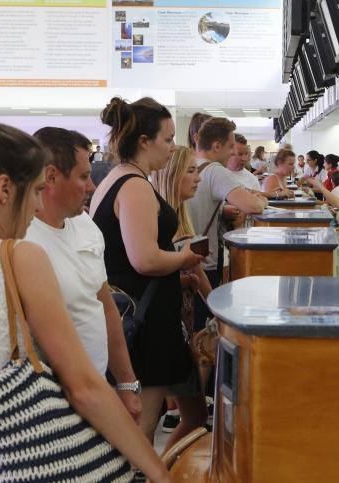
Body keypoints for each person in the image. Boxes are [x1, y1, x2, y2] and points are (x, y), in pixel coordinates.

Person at [0, 121, 169, 482]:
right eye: (34, 191)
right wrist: (157, 470)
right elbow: (83, 386)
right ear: (4, 189)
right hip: (20, 461)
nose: (35, 206)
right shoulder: (19, 256)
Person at [90, 97, 204, 445]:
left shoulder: (120, 179)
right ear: (144, 141)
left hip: (143, 311)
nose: (172, 148)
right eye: (167, 140)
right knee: (142, 426)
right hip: (145, 320)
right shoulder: (135, 185)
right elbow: (146, 260)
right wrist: (184, 258)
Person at [28, 126, 142, 424]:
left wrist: (127, 383)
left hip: (95, 387)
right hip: (46, 400)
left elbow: (104, 306)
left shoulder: (86, 227)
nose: (91, 186)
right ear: (51, 177)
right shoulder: (21, 240)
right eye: (82, 176)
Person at [151, 145, 211, 445]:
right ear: (171, 175)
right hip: (163, 331)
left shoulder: (179, 217)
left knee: (195, 415)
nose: (198, 178)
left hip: (176, 329)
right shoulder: (160, 220)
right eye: (190, 171)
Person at [186, 115, 267, 327]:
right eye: (231, 146)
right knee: (204, 326)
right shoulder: (214, 170)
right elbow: (253, 206)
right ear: (216, 145)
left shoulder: (188, 165)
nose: (233, 152)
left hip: (183, 259)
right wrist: (261, 200)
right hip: (205, 261)